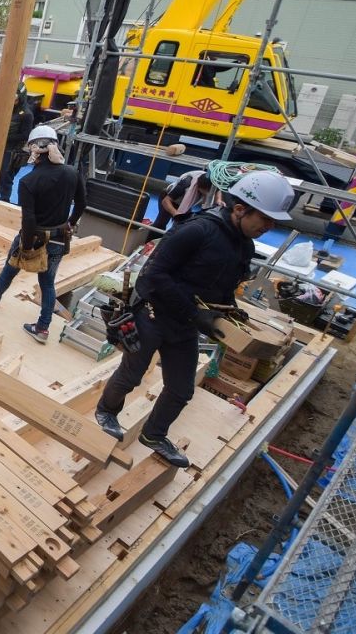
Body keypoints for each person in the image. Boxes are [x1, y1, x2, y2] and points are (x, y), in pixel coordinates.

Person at [94, 170, 295, 467]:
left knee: (181, 388)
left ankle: (154, 434)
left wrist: (229, 313)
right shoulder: (197, 230)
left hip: (186, 324)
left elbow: (224, 286)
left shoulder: (244, 246)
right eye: (265, 219)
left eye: (273, 221)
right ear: (240, 209)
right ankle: (107, 411)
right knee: (132, 374)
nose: (269, 226)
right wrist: (195, 314)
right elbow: (153, 276)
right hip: (153, 315)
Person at [0, 125, 86, 344]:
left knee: (10, 269)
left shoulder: (29, 182)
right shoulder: (71, 173)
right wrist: (70, 223)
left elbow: (29, 219)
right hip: (58, 238)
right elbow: (82, 204)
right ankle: (42, 328)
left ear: (34, 150)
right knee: (47, 283)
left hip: (34, 237)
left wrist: (26, 247)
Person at [149, 169, 220, 238]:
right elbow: (165, 201)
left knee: (182, 227)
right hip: (168, 199)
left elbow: (217, 190)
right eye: (206, 193)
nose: (207, 195)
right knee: (160, 224)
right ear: (199, 187)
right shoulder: (186, 184)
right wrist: (176, 214)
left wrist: (218, 200)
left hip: (184, 203)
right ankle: (148, 242)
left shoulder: (211, 183)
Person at [0, 83, 37, 202]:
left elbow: (25, 135)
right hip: (0, 148)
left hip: (12, 151)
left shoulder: (26, 114)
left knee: (5, 178)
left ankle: (4, 201)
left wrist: (5, 137)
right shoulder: (8, 109)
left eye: (15, 98)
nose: (12, 101)